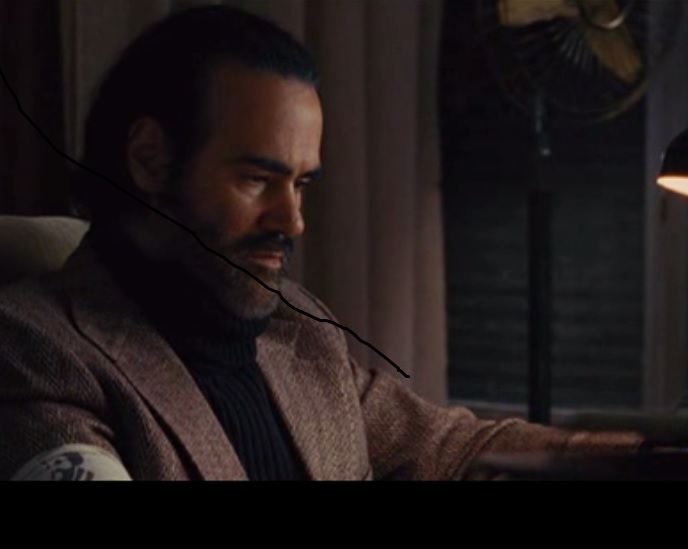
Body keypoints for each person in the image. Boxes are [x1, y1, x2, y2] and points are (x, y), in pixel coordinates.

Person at [0, 5, 643, 481]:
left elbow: (455, 447)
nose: (293, 220)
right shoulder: (34, 349)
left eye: (302, 184)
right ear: (149, 159)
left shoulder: (300, 334)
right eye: (258, 180)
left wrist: (652, 458)